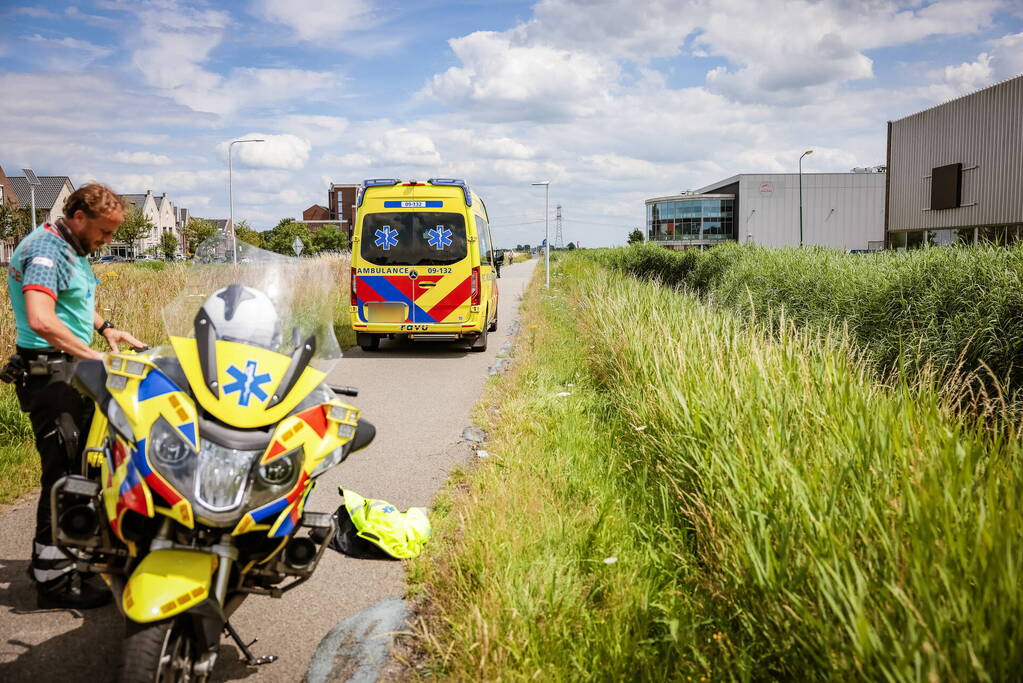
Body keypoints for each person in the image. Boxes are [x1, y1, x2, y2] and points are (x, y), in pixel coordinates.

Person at [4, 183, 145, 609]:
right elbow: (41, 319)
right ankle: (53, 579)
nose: (107, 241)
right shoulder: (47, 252)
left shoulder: (69, 249)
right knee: (64, 478)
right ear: (79, 217)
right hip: (53, 377)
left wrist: (106, 329)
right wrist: (94, 356)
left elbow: (75, 302)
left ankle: (78, 555)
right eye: (104, 232)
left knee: (87, 468)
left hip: (69, 372)